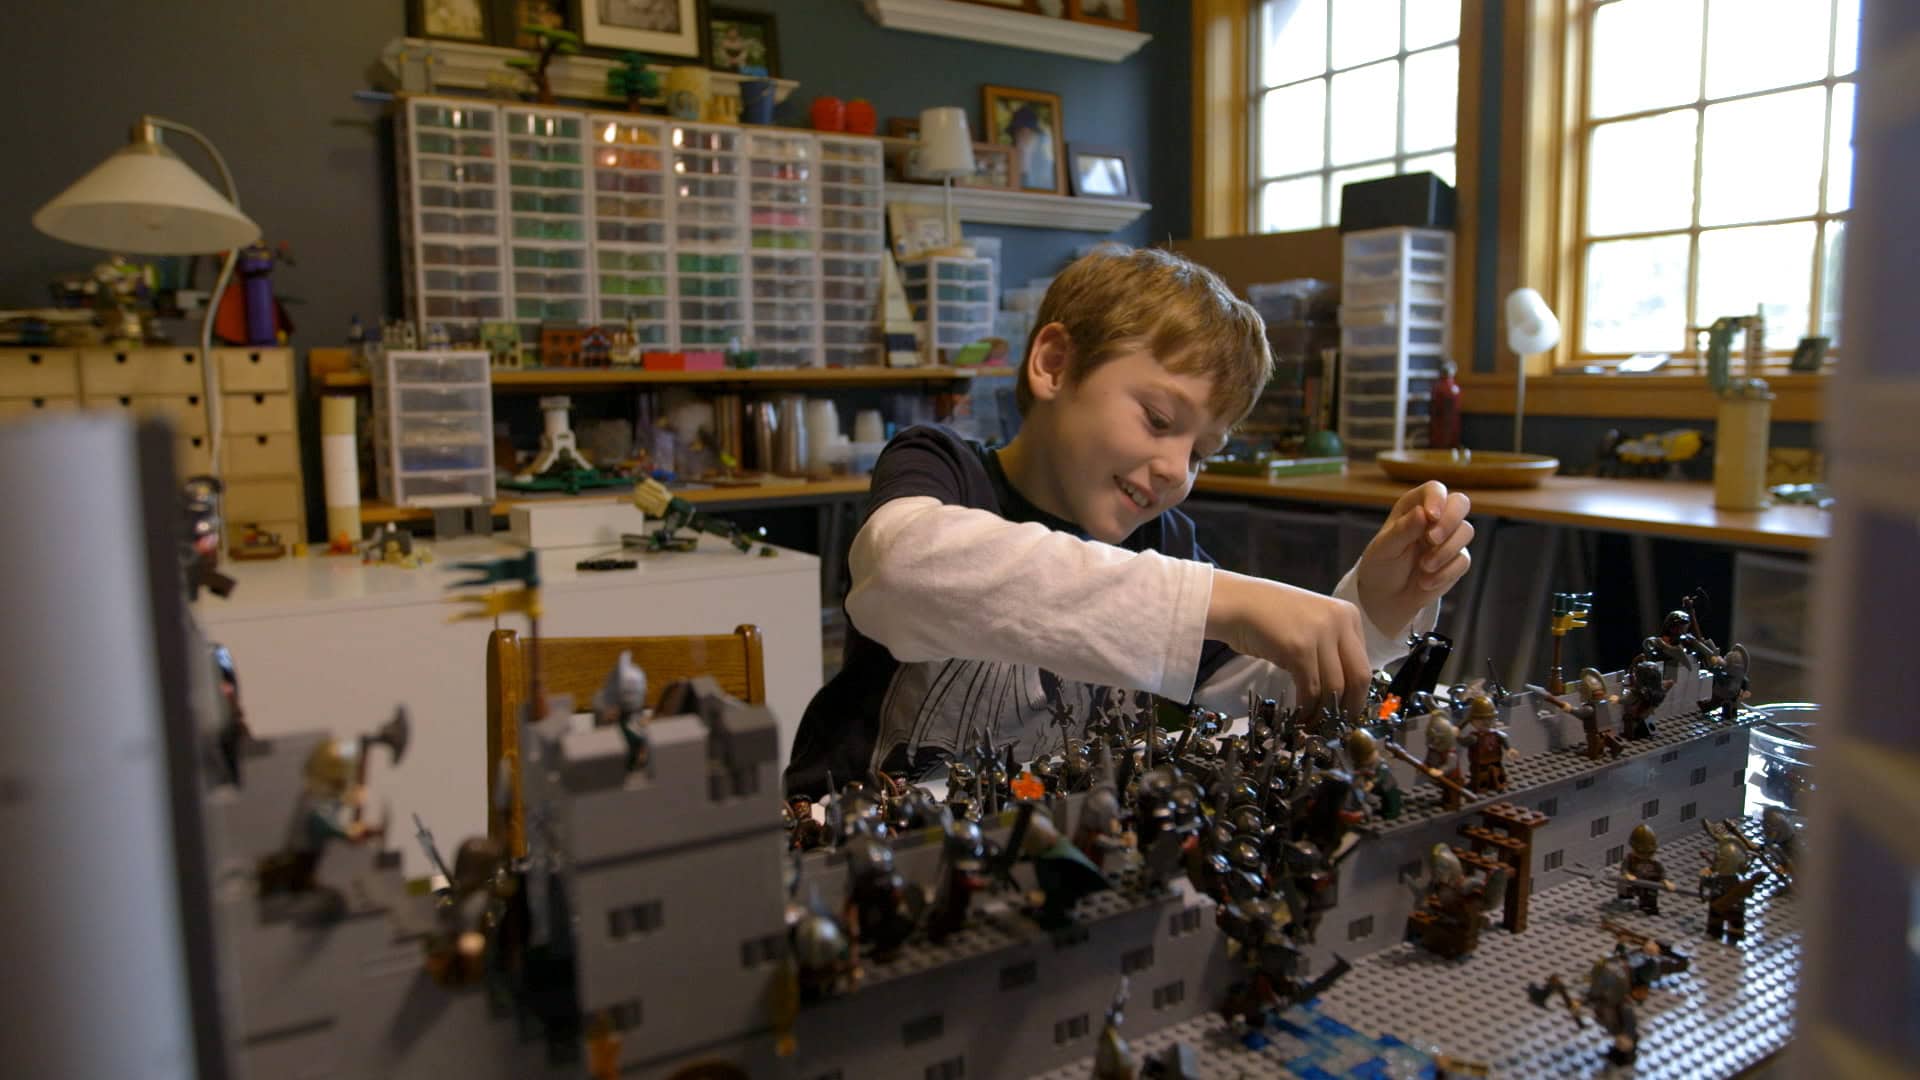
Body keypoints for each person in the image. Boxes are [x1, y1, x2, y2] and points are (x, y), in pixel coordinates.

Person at [782, 246, 1474, 797]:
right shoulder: (941, 467)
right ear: (1055, 365)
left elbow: (1259, 697)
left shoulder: (1162, 542)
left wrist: (1371, 613)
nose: (1175, 468)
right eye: (1159, 419)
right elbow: (901, 574)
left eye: (1200, 453)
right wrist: (1223, 600)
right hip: (849, 840)